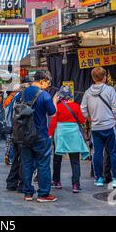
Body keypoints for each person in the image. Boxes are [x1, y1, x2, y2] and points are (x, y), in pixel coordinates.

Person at [14, 70, 58, 202]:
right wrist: (54, 101)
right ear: (43, 80)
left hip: (24, 134)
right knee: (43, 164)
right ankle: (43, 194)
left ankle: (28, 193)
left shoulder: (21, 93)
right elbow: (52, 113)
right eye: (48, 83)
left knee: (26, 164)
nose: (48, 85)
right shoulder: (44, 95)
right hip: (40, 134)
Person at [81, 67, 116, 188]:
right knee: (114, 152)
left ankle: (99, 178)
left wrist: (90, 119)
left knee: (97, 153)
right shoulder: (110, 90)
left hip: (96, 127)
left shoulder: (88, 92)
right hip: (110, 125)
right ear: (104, 77)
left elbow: (83, 109)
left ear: (93, 78)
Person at [49, 86, 89, 193]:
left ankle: (57, 181)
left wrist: (50, 134)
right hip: (73, 135)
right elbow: (81, 120)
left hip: (61, 135)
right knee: (75, 160)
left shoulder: (58, 107)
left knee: (57, 159)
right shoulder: (76, 106)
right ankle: (75, 184)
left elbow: (53, 121)